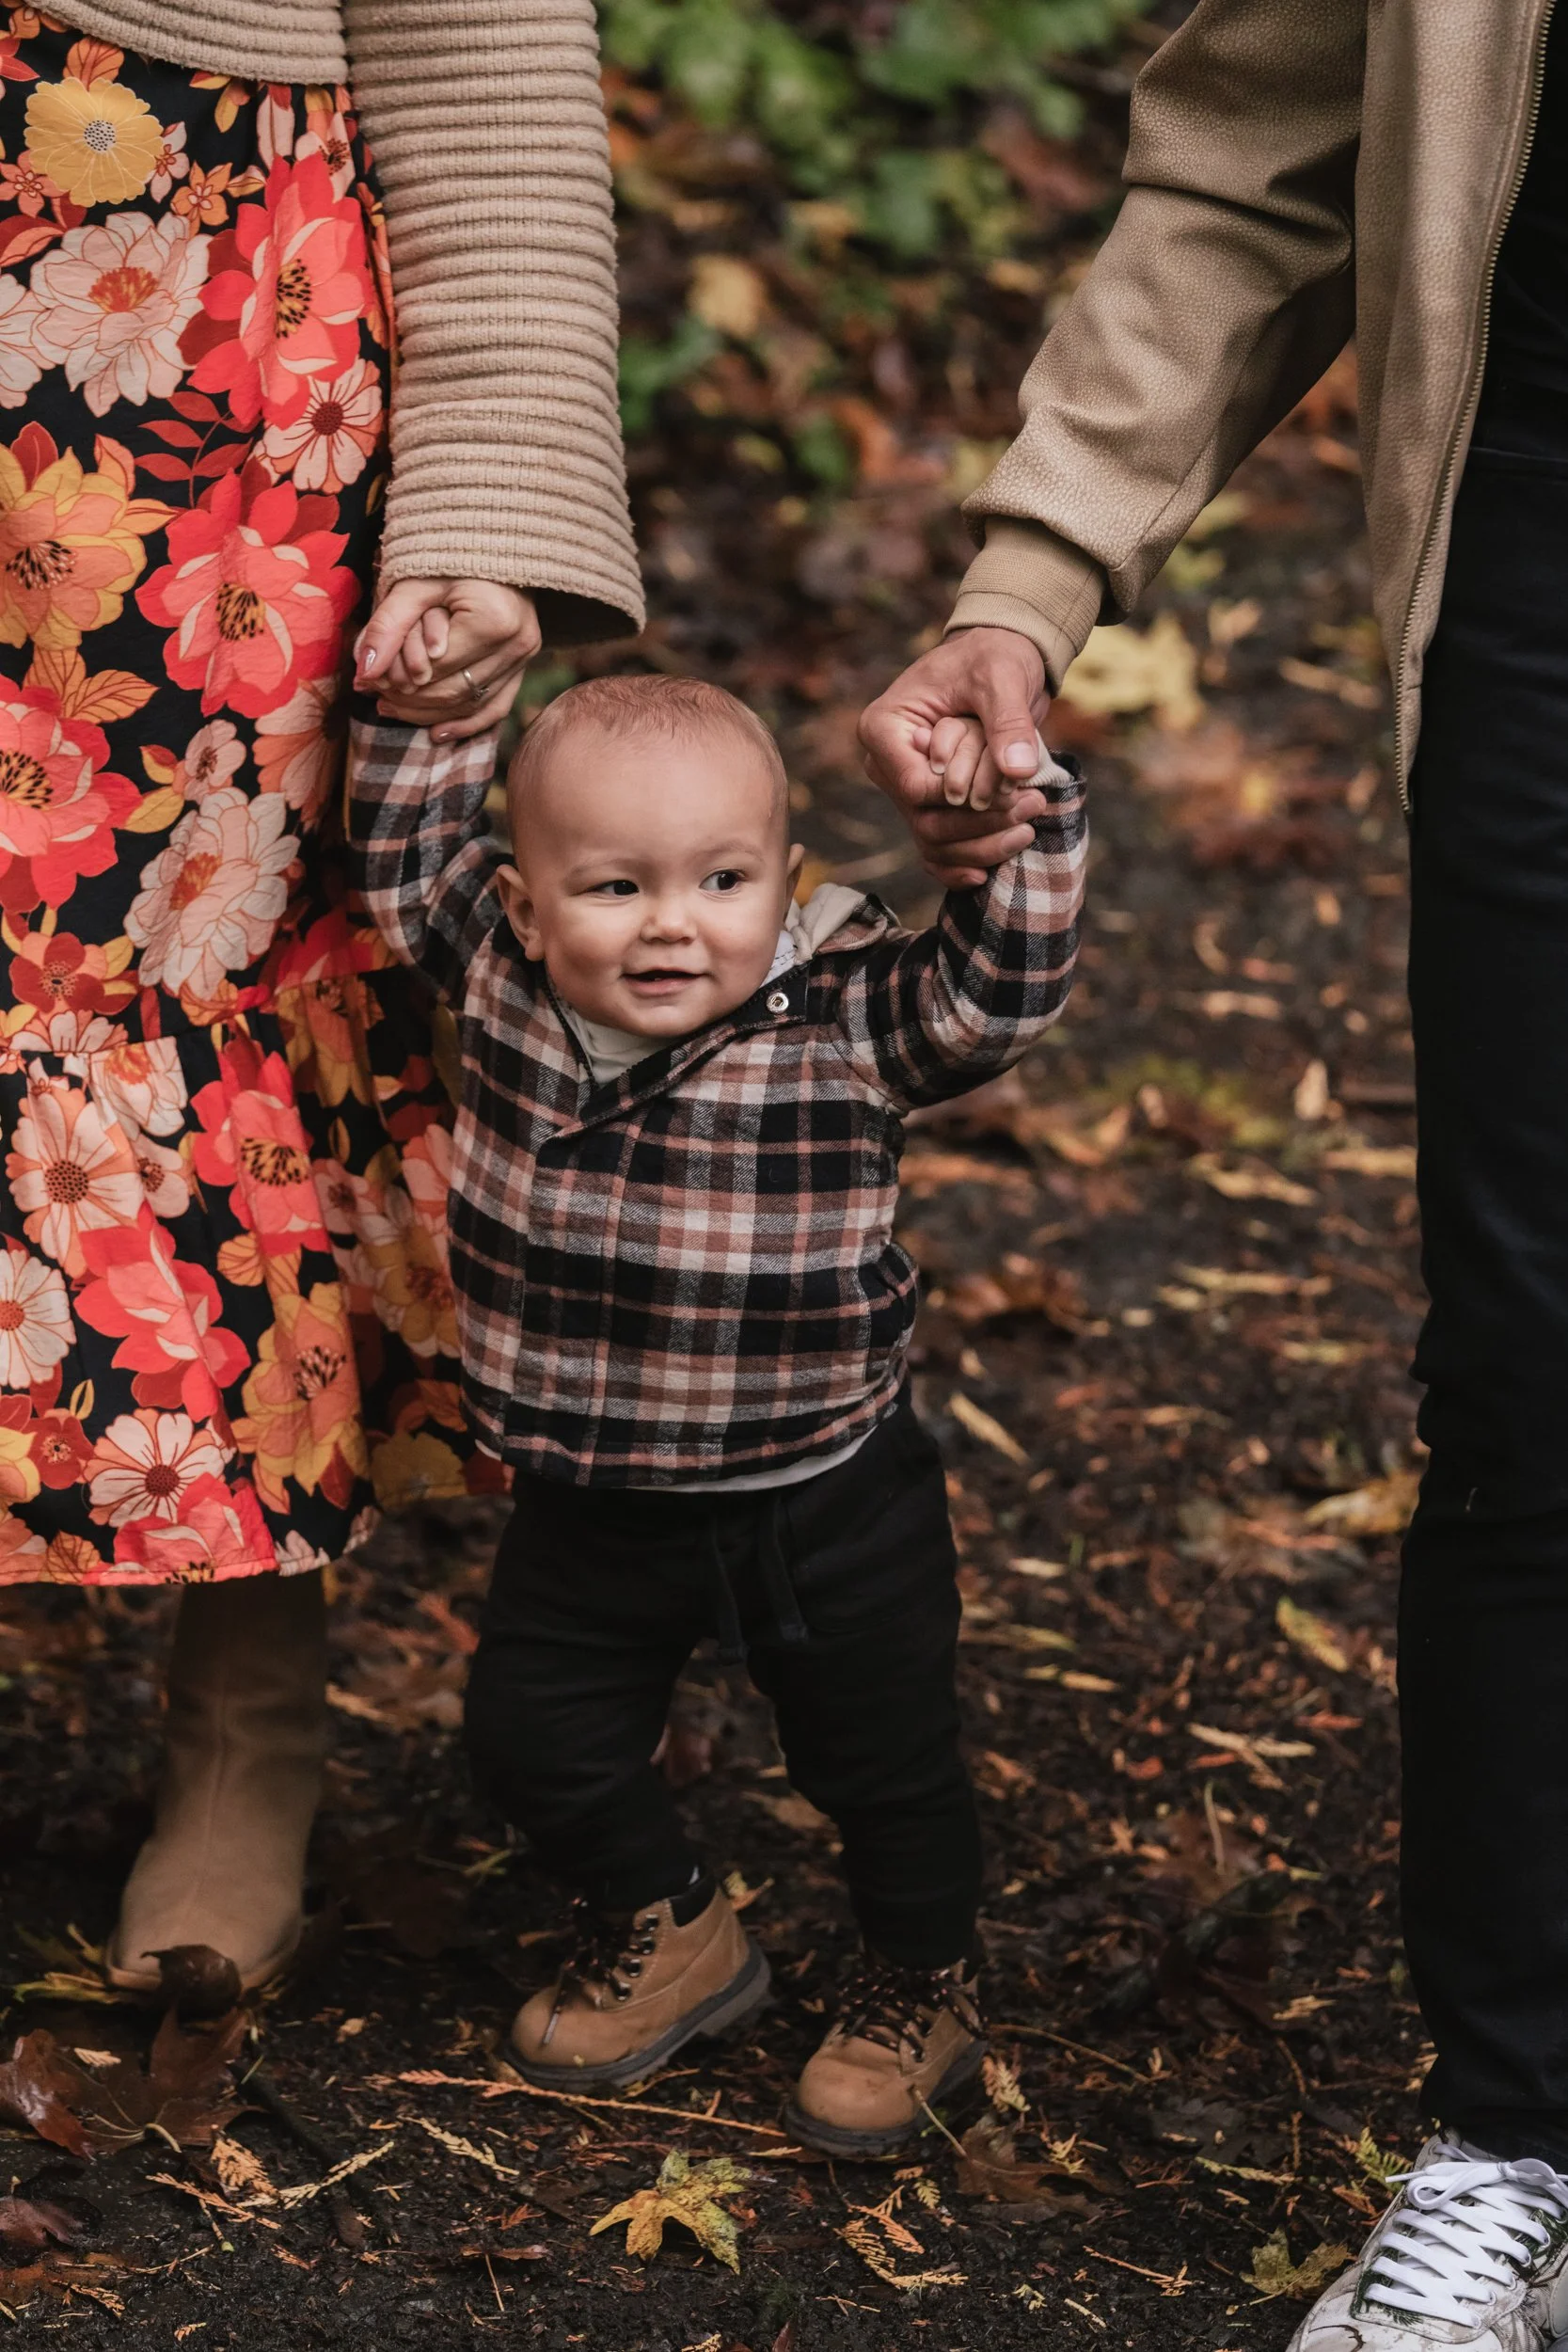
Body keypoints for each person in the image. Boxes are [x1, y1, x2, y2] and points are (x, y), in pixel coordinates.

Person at [860, 0, 1568, 2343]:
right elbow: (1262, 134)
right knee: (1535, 1349)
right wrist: (1029, 568)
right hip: (1545, 565)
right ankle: (1516, 2132)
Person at [0, 0, 642, 1996]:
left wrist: (491, 510)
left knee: (196, 978)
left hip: (180, 303)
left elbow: (484, 44)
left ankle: (245, 1708)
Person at [349, 674, 1086, 2154]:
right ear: (528, 898)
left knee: (880, 1764)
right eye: (615, 886)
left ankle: (919, 1983)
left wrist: (1017, 827)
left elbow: (994, 996)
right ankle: (669, 1926)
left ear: (786, 877)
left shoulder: (840, 1012)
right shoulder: (494, 969)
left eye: (724, 879)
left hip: (823, 1485)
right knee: (528, 1735)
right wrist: (435, 697)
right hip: (588, 1487)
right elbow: (398, 853)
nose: (674, 922)